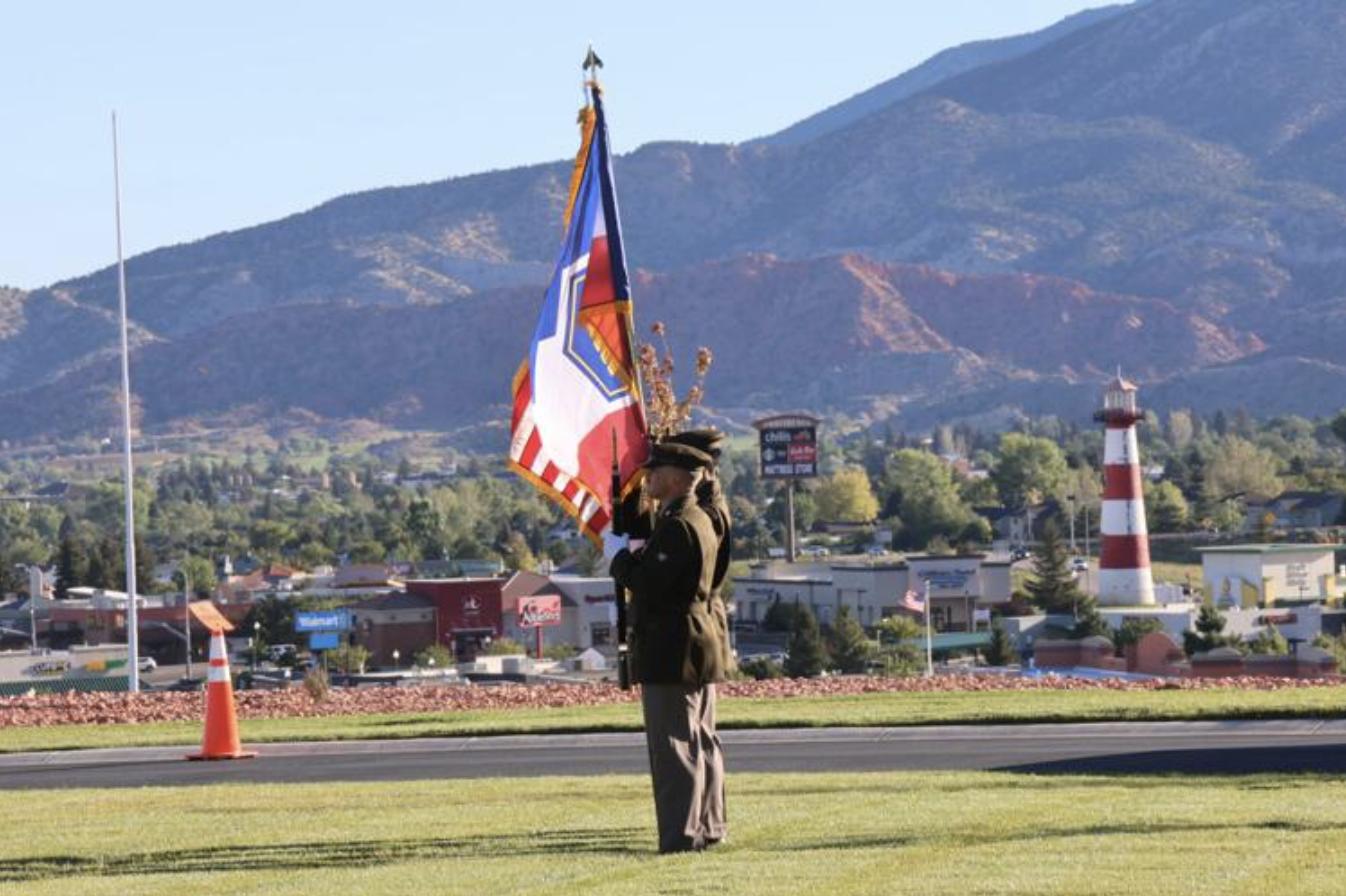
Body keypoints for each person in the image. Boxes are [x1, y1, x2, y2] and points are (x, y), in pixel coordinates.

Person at [610, 438, 726, 853]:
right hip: (690, 642)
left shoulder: (679, 525)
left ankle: (681, 835)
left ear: (676, 479)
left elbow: (650, 586)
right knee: (699, 741)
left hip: (672, 646)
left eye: (655, 472)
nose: (648, 478)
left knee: (674, 746)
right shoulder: (690, 518)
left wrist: (619, 560)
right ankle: (707, 826)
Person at [661, 429, 733, 840]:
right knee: (700, 735)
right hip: (702, 623)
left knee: (687, 738)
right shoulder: (707, 508)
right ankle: (708, 823)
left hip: (692, 623)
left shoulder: (702, 515)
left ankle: (694, 826)